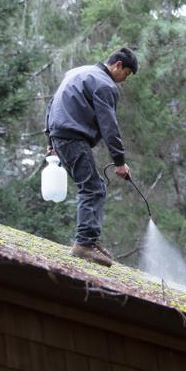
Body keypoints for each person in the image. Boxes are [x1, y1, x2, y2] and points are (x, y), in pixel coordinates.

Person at [44, 47, 137, 266]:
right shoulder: (105, 85)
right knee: (93, 188)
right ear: (118, 65)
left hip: (60, 136)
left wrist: (50, 142)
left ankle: (89, 240)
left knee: (92, 186)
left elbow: (52, 104)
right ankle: (85, 244)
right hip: (73, 138)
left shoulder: (77, 72)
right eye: (127, 74)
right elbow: (109, 126)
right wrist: (119, 162)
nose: (125, 79)